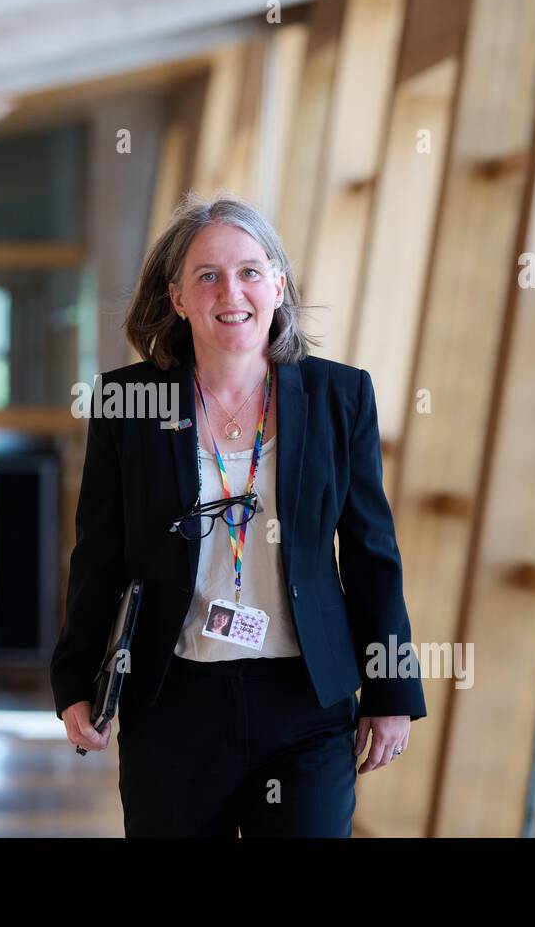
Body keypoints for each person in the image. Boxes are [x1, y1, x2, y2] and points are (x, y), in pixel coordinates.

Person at [50, 192, 427, 837]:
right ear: (177, 297)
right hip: (173, 700)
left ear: (278, 284)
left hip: (306, 701)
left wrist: (391, 690)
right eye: (208, 275)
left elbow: (371, 553)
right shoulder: (124, 401)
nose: (233, 290)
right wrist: (77, 680)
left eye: (251, 271)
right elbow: (100, 552)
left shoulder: (341, 396)